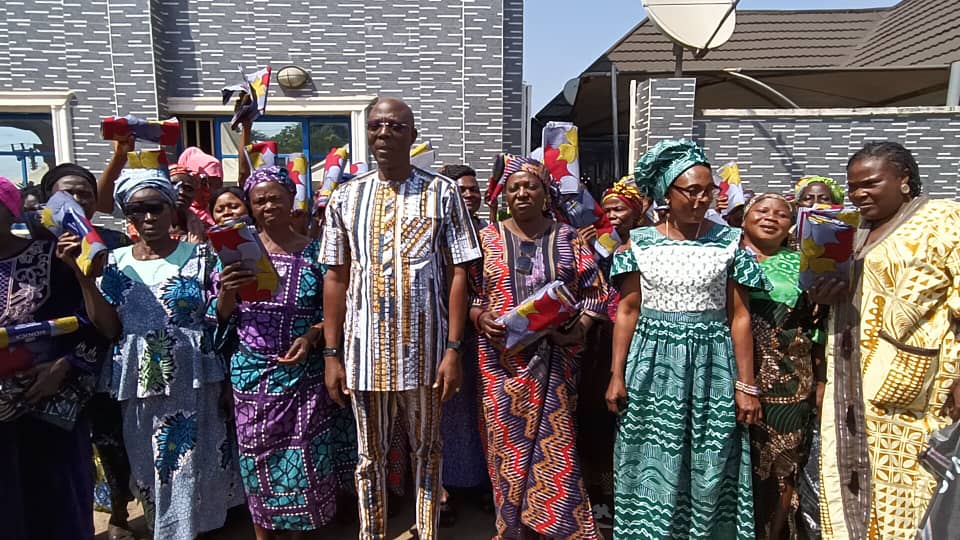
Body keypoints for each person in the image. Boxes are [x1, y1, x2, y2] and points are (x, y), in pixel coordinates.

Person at [321, 97, 480, 540]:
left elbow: (458, 273)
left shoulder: (442, 193)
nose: (384, 133)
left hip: (426, 355)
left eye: (395, 125)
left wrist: (453, 349)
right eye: (376, 126)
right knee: (369, 456)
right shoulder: (346, 197)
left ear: (412, 133)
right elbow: (335, 275)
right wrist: (332, 354)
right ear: (367, 134)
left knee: (428, 451)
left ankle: (425, 531)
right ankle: (372, 534)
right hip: (364, 353)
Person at [605, 139, 767, 539]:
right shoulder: (639, 244)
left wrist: (746, 385)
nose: (700, 199)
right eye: (690, 191)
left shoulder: (729, 243)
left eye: (707, 190)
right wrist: (616, 374)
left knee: (710, 461)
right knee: (648, 457)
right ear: (666, 193)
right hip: (652, 367)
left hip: (712, 367)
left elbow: (740, 317)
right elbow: (627, 311)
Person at [814, 141, 960, 539]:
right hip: (851, 376)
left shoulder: (943, 218)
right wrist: (821, 295)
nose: (860, 193)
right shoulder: (853, 232)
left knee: (913, 484)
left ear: (905, 180)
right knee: (851, 482)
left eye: (871, 183)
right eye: (853, 186)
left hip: (919, 385)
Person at [212, 165, 356, 538]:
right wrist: (228, 290)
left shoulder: (317, 253)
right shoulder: (235, 253)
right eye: (259, 200)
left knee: (304, 458)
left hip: (304, 376)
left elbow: (338, 312)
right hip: (252, 374)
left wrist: (311, 337)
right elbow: (222, 316)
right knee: (257, 459)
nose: (268, 205)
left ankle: (299, 531)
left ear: (292, 200)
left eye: (276, 197)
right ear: (250, 206)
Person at [97, 169, 242, 539]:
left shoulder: (201, 257)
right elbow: (110, 328)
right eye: (136, 210)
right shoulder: (113, 263)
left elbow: (220, 318)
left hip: (195, 377)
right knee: (150, 464)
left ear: (171, 209)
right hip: (140, 380)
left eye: (155, 207)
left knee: (196, 464)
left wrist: (227, 292)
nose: (147, 217)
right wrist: (84, 280)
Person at [469, 156, 607, 539]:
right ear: (503, 196)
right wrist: (481, 319)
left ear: (545, 193)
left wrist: (579, 327)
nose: (522, 192)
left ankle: (554, 527)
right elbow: (468, 294)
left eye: (531, 186)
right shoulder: (487, 239)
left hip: (556, 361)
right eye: (514, 187)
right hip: (500, 363)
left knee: (556, 443)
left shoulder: (567, 238)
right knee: (505, 449)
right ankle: (512, 528)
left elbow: (598, 292)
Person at [0, 175, 117, 540]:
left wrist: (64, 366)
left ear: (10, 210)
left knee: (57, 509)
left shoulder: (51, 256)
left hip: (48, 404)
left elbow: (98, 328)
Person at [38, 163, 135, 539]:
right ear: (50, 198)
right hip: (40, 369)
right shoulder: (32, 244)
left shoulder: (113, 244)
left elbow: (115, 316)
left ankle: (119, 514)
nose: (78, 200)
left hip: (96, 359)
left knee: (110, 441)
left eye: (86, 194)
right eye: (68, 193)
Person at [740, 193, 823, 539]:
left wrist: (821, 380)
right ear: (743, 217)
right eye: (762, 210)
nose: (772, 217)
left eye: (782, 214)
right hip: (727, 373)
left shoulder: (805, 264)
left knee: (783, 466)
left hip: (791, 380)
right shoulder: (724, 256)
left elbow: (819, 326)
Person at [577, 178, 651, 529]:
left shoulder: (652, 243)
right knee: (596, 415)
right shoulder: (598, 243)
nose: (612, 216)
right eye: (607, 210)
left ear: (637, 210)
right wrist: (588, 252)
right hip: (600, 342)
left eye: (619, 209)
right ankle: (598, 495)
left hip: (642, 339)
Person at [435, 163, 489, 526]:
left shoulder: (493, 234)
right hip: (441, 335)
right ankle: (444, 491)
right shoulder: (434, 235)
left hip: (485, 337)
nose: (468, 194)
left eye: (473, 189)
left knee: (481, 412)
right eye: (460, 189)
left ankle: (486, 484)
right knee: (445, 414)